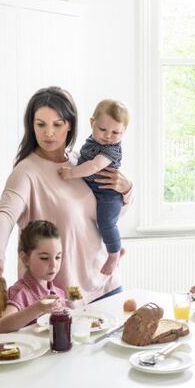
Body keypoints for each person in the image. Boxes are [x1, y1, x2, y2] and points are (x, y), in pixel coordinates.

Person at [0, 87, 133, 304]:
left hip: (105, 284)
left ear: (69, 125)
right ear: (32, 126)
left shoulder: (80, 163)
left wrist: (126, 190)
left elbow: (109, 214)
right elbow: (4, 215)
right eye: (40, 124)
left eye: (57, 124)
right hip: (62, 298)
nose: (48, 133)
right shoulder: (26, 172)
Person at [58, 99, 129, 275]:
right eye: (102, 129)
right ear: (92, 123)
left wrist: (71, 173)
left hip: (109, 196)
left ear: (123, 132)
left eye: (116, 132)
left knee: (106, 223)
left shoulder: (112, 149)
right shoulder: (93, 141)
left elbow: (94, 166)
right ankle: (114, 249)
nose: (108, 136)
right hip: (96, 191)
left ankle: (114, 254)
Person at [0, 220, 66, 333]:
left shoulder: (58, 293)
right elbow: (1, 327)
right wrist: (38, 307)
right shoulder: (21, 292)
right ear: (25, 259)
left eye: (58, 257)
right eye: (44, 258)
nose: (53, 265)